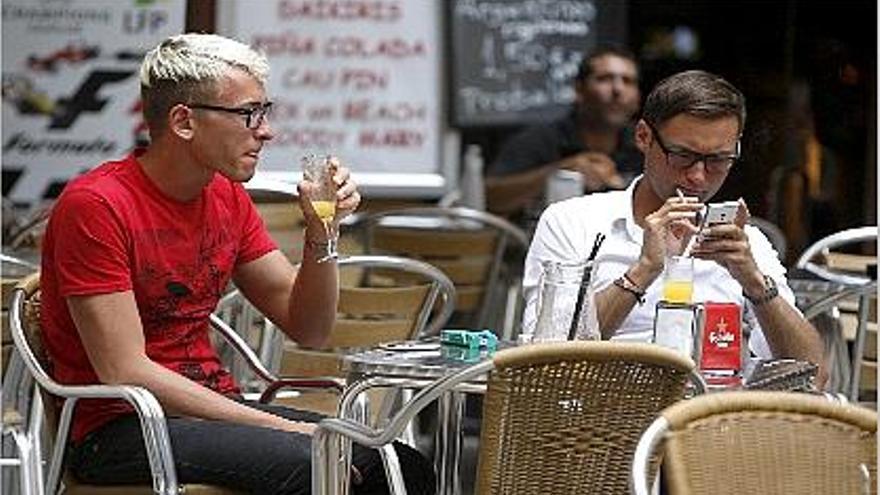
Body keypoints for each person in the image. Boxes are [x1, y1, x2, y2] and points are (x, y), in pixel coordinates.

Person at [39, 33, 434, 495]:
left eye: (265, 112)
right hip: (118, 427)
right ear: (184, 121)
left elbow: (309, 327)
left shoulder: (226, 197)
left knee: (396, 463)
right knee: (316, 464)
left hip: (207, 410)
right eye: (249, 114)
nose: (266, 131)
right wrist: (282, 428)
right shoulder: (97, 205)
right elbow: (125, 370)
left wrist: (322, 231)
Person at [522, 70, 825, 376]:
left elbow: (815, 376)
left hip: (711, 416)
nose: (697, 176)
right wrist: (643, 270)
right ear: (644, 137)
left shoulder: (746, 244)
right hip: (599, 414)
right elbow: (545, 360)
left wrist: (755, 283)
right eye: (682, 155)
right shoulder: (573, 222)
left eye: (718, 160)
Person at [485, 46, 643, 226]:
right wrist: (560, 173)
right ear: (579, 90)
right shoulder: (541, 138)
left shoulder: (647, 144)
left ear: (638, 97)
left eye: (628, 81)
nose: (617, 89)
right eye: (604, 79)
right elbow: (490, 197)